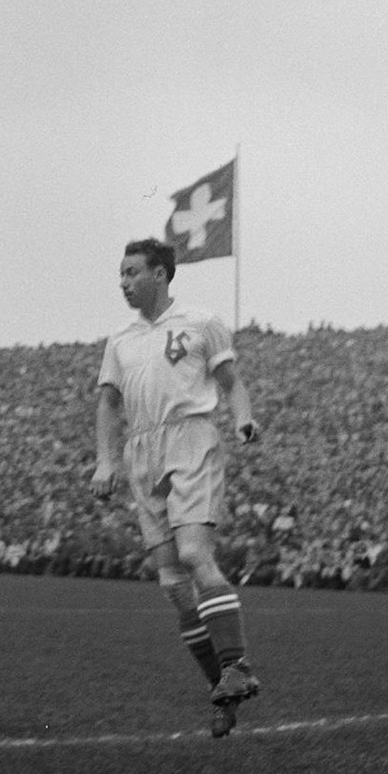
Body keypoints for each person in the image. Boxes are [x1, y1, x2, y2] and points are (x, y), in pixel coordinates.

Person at [90, 239, 262, 738]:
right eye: (120, 275)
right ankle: (222, 688)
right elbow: (107, 404)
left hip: (191, 440)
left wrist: (244, 420)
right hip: (143, 454)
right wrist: (105, 460)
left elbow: (231, 382)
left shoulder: (202, 322)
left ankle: (238, 663)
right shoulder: (119, 338)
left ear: (161, 274)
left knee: (193, 554)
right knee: (172, 585)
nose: (123, 283)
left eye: (132, 273)